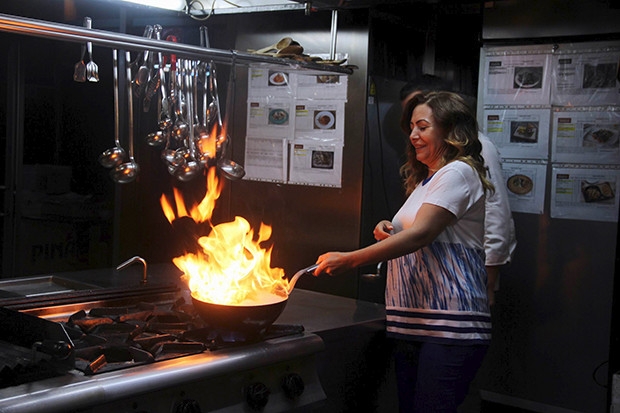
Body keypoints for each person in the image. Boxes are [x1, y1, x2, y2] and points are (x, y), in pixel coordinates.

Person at [314, 91, 492, 412]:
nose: (412, 136)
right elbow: (416, 230)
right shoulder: (428, 180)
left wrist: (351, 259)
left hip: (449, 324)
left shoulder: (457, 172)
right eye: (411, 127)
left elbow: (422, 233)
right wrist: (390, 228)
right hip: (414, 320)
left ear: (451, 131)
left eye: (423, 127)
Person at [400, 75, 517, 306]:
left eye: (422, 124)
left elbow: (496, 212)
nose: (413, 131)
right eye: (411, 123)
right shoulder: (432, 154)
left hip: (465, 275)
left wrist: (489, 278)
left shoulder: (478, 149)